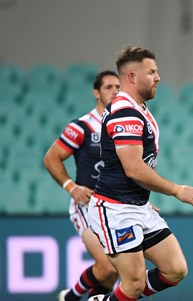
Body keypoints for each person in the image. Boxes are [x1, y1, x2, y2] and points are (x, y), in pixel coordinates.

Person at [86, 46, 193, 301]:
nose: (158, 77)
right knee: (133, 284)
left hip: (137, 206)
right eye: (151, 72)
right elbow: (134, 168)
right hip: (116, 210)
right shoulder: (125, 112)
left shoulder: (137, 109)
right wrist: (177, 190)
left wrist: (143, 199)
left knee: (175, 270)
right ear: (131, 77)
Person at [44, 71, 121, 301]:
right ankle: (70, 297)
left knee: (114, 271)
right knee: (107, 267)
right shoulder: (83, 126)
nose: (115, 91)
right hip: (87, 204)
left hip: (116, 206)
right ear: (96, 93)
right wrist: (71, 186)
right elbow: (51, 158)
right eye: (108, 87)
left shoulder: (123, 126)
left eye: (118, 86)